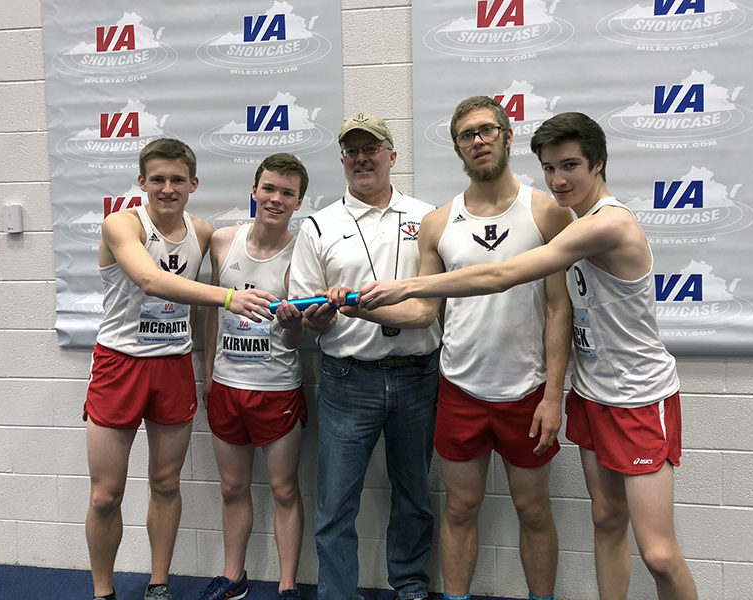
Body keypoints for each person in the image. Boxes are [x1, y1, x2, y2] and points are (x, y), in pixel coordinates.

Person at [359, 112, 699, 600]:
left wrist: (406, 283)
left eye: (571, 166)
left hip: (639, 396)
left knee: (659, 554)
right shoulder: (574, 220)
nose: (559, 180)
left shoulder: (605, 223)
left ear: (599, 163)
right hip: (591, 392)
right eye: (550, 168)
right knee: (605, 521)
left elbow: (502, 275)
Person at [335, 96, 573, 600]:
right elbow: (422, 311)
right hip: (460, 390)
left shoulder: (548, 213)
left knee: (533, 511)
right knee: (460, 509)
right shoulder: (439, 223)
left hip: (527, 393)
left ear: (507, 136)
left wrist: (554, 394)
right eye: (467, 135)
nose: (478, 141)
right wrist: (357, 307)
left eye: (487, 130)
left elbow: (559, 309)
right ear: (458, 148)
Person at [84, 138, 276, 600]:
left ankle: (159, 583)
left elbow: (245, 254)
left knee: (166, 482)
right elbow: (150, 279)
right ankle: (102, 591)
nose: (167, 188)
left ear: (193, 183)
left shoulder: (203, 231)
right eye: (157, 180)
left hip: (172, 364)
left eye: (176, 180)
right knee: (105, 494)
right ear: (141, 182)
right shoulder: (121, 223)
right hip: (120, 364)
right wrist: (230, 298)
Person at [288, 113, 442, 600]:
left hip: (419, 376)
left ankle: (411, 586)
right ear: (343, 161)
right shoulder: (318, 225)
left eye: (371, 148)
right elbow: (310, 313)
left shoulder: (428, 217)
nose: (361, 158)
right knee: (335, 504)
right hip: (347, 378)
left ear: (391, 156)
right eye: (352, 151)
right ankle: (337, 595)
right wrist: (320, 317)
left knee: (415, 495)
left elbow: (440, 299)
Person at [198, 154, 310, 600]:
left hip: (276, 388)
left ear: (299, 201)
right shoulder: (223, 241)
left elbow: (297, 336)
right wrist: (208, 373)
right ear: (254, 190)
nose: (276, 199)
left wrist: (292, 321)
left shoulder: (302, 253)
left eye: (287, 192)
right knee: (232, 486)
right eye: (269, 188)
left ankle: (286, 587)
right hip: (226, 386)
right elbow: (212, 312)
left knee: (284, 488)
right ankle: (234, 576)